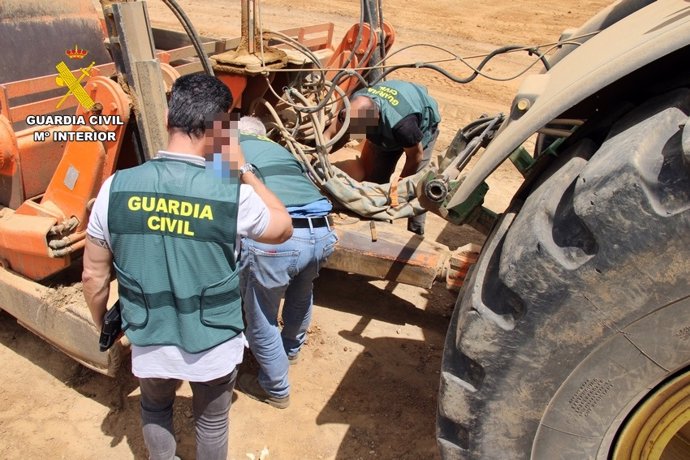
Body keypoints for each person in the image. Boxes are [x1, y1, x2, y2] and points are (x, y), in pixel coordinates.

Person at [82, 74, 292, 460]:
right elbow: (283, 227)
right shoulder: (234, 196)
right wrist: (243, 168)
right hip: (213, 339)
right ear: (220, 131)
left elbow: (93, 276)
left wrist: (105, 326)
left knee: (155, 406)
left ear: (166, 117)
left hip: (148, 332)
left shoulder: (115, 188)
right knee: (212, 422)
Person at [235, 116, 338, 409]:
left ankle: (275, 388)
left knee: (259, 317)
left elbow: (215, 194)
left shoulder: (228, 145)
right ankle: (290, 350)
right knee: (301, 293)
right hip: (321, 232)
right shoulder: (282, 150)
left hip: (280, 238)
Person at [325, 80, 441, 235]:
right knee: (375, 181)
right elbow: (330, 135)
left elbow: (415, 157)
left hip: (420, 128)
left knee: (417, 190)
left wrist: (399, 189)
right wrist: (316, 156)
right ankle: (376, 225)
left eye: (357, 129)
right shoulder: (355, 104)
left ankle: (415, 232)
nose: (354, 134)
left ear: (375, 120)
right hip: (385, 128)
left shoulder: (404, 127)